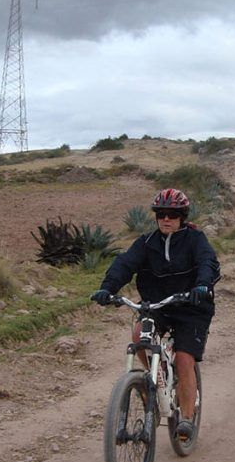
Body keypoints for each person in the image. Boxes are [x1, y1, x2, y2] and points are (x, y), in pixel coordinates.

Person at [91, 188, 221, 440]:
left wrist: (202, 286)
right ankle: (154, 377)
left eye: (172, 214)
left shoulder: (196, 240)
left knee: (184, 359)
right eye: (161, 214)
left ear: (182, 216)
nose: (166, 219)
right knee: (139, 335)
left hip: (192, 307)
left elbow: (208, 262)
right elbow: (125, 264)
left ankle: (185, 417)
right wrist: (107, 288)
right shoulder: (146, 243)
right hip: (158, 305)